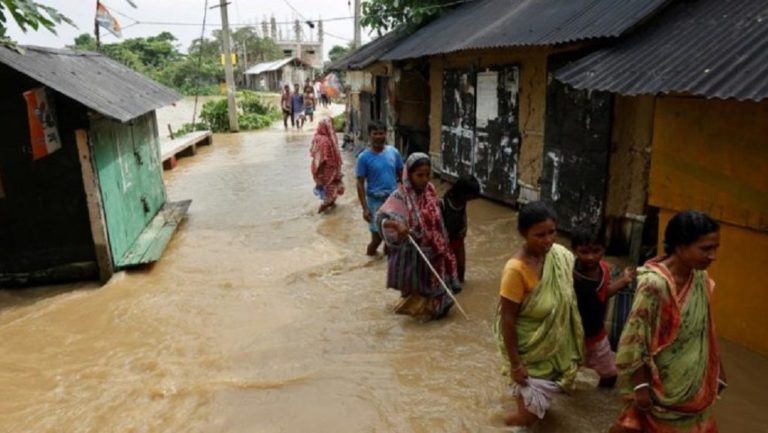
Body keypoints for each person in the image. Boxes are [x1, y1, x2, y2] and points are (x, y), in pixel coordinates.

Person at [609, 210, 726, 433]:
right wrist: (641, 388)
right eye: (706, 249)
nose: (713, 256)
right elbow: (636, 340)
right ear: (680, 247)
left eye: (715, 248)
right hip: (661, 389)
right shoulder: (655, 286)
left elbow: (703, 328)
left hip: (692, 389)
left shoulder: (699, 277)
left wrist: (718, 368)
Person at [493, 201, 584, 428]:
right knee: (527, 418)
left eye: (552, 232)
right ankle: (494, 424)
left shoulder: (559, 256)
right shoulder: (515, 270)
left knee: (540, 409)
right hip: (528, 349)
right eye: (539, 235)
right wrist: (516, 365)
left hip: (553, 347)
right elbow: (508, 318)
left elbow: (568, 293)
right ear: (524, 234)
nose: (548, 240)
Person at [377, 153, 460, 320]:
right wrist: (395, 225)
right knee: (416, 296)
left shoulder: (430, 190)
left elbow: (437, 218)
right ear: (409, 174)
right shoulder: (400, 196)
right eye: (419, 175)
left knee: (439, 299)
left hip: (435, 251)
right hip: (414, 254)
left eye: (427, 175)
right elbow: (380, 218)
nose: (424, 179)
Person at [571, 226, 636, 388]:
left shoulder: (604, 269)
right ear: (574, 251)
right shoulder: (571, 276)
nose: (591, 257)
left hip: (596, 336)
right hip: (571, 336)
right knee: (564, 374)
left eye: (596, 251)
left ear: (604, 249)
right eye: (584, 252)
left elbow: (603, 294)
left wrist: (624, 281)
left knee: (610, 375)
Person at [356, 120, 404, 256]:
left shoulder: (394, 152)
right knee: (377, 238)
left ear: (386, 134)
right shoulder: (363, 158)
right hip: (374, 202)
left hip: (393, 201)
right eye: (375, 133)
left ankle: (386, 266)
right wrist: (365, 208)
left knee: (392, 238)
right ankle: (369, 262)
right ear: (370, 135)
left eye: (381, 133)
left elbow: (402, 175)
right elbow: (360, 183)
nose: (378, 136)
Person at [440, 175, 480, 283]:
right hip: (445, 241)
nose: (470, 199)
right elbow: (439, 223)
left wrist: (465, 227)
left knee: (461, 268)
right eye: (469, 197)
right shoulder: (443, 203)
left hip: (458, 237)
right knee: (446, 270)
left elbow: (463, 214)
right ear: (462, 193)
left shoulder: (462, 201)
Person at [310, 118, 344, 213]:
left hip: (325, 170)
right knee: (330, 196)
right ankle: (319, 214)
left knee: (331, 193)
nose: (332, 128)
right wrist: (321, 175)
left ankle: (332, 211)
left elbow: (313, 155)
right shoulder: (325, 141)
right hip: (327, 171)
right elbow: (321, 160)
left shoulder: (317, 138)